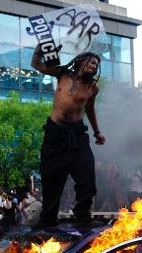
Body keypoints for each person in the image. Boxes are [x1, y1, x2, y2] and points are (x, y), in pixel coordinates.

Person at [31, 45, 105, 227]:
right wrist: (40, 49)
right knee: (51, 177)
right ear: (82, 60)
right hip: (55, 133)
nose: (94, 66)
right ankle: (48, 219)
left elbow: (89, 109)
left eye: (97, 64)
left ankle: (83, 217)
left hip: (78, 134)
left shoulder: (92, 87)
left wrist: (97, 132)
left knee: (87, 174)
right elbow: (36, 65)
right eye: (92, 61)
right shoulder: (62, 73)